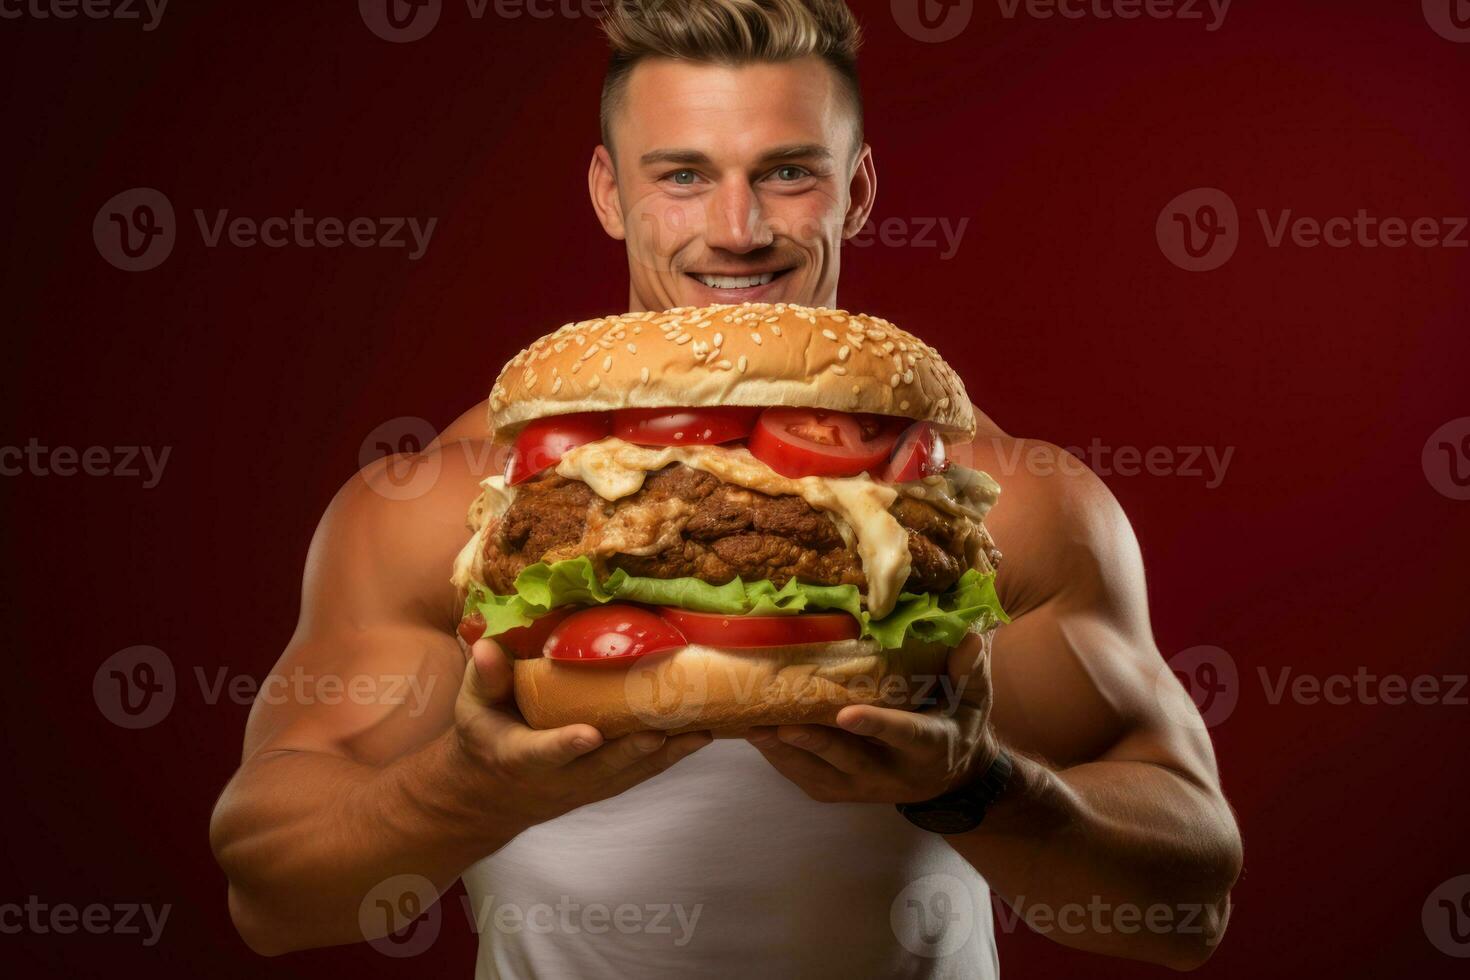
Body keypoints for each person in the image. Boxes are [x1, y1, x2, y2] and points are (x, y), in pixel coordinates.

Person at [210, 2, 1242, 976]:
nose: (737, 227)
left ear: (858, 189)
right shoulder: (440, 506)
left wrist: (979, 788)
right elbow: (270, 892)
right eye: (684, 175)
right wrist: (467, 790)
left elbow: (1188, 903)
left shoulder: (1001, 502)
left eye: (789, 172)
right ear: (610, 192)